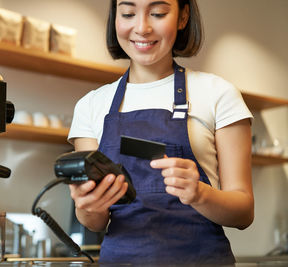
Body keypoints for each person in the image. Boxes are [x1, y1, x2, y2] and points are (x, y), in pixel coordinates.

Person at [67, 0, 254, 265]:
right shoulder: (91, 105)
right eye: (128, 13)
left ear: (182, 16)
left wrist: (200, 194)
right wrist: (87, 205)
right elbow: (95, 222)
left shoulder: (218, 94)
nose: (142, 28)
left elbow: (244, 212)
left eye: (158, 13)